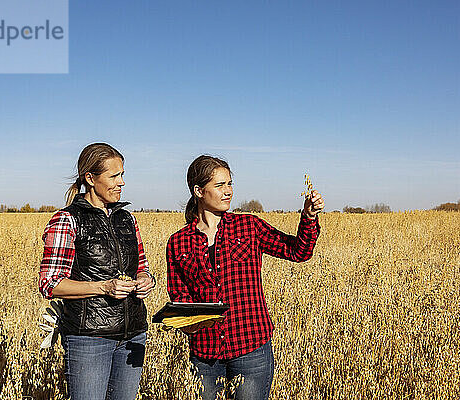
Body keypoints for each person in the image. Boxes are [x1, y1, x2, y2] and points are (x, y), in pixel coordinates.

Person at [166, 155, 324, 400]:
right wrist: (189, 324)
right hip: (205, 353)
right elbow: (179, 295)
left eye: (229, 183)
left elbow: (298, 251)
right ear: (198, 191)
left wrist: (309, 217)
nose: (228, 191)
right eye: (219, 185)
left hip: (250, 348)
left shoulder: (248, 227)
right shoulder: (178, 242)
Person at [39, 143, 156, 400]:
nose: (122, 182)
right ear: (90, 179)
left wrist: (146, 281)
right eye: (114, 176)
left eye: (122, 175)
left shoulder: (127, 219)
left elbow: (143, 268)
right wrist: (104, 286)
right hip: (89, 338)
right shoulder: (66, 220)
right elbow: (50, 284)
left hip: (133, 333)